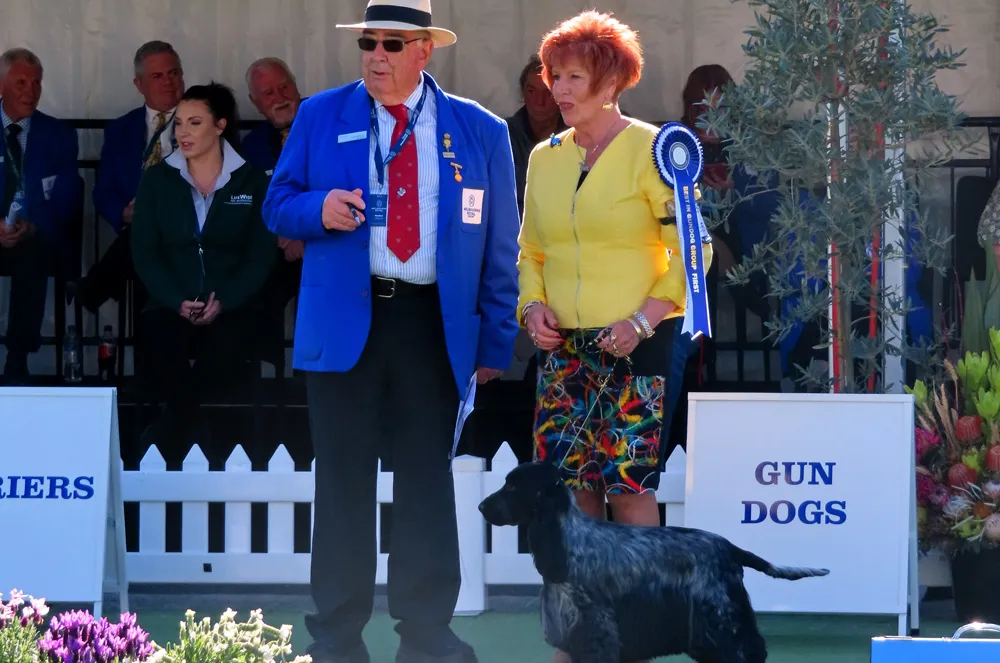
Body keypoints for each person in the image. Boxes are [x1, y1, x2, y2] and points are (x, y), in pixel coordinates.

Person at [262, 1, 520, 662]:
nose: (376, 55)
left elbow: (499, 246)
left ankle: (429, 633)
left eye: (392, 45)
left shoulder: (480, 129)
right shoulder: (321, 113)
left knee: (427, 481)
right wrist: (317, 208)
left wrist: (494, 344)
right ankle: (336, 639)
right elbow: (276, 204)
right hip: (346, 319)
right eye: (368, 43)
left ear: (425, 50)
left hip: (430, 322)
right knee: (342, 482)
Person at [517, 11, 713, 547]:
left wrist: (642, 322)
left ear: (610, 83)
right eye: (553, 76)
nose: (557, 89)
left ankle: (644, 619)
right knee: (574, 489)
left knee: (628, 490)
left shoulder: (653, 150)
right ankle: (585, 622)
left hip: (637, 345)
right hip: (563, 351)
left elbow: (696, 252)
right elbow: (531, 251)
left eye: (572, 77)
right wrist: (532, 310)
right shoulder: (543, 159)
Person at [130, 82, 276, 451]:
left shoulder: (252, 181)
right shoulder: (158, 179)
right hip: (170, 304)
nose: (182, 133)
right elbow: (145, 253)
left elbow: (260, 256)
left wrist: (223, 299)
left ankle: (168, 435)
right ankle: (193, 434)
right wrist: (176, 300)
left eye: (194, 123)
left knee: (227, 349)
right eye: (178, 124)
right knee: (161, 344)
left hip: (233, 306)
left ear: (220, 125)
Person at [73, 40, 185, 313]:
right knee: (146, 237)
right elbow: (104, 191)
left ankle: (95, 287)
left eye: (173, 73)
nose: (168, 82)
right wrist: (123, 212)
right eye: (157, 76)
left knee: (148, 229)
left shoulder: (202, 120)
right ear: (139, 84)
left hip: (187, 224)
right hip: (142, 233)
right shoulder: (121, 129)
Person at [0, 47, 82, 384]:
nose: (30, 92)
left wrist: (31, 225)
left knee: (33, 256)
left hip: (33, 235)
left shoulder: (58, 135)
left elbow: (66, 196)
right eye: (21, 82)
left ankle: (17, 360)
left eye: (37, 83)